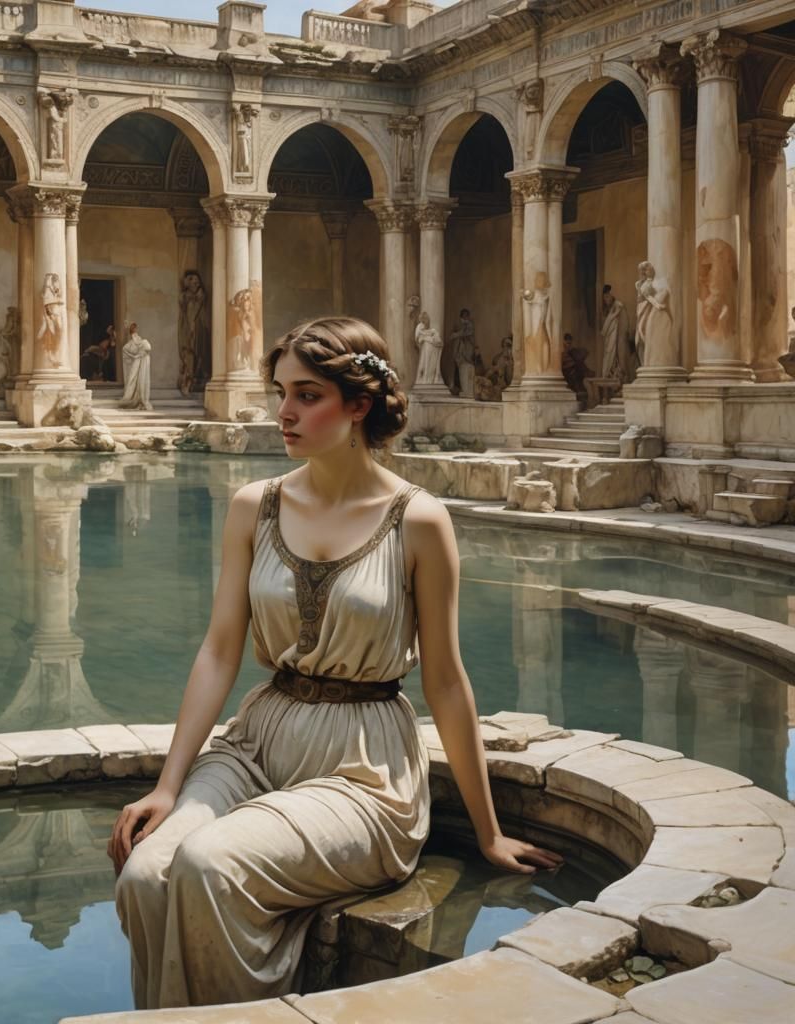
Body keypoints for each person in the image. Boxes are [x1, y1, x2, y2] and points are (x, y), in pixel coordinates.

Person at [109, 316, 563, 1010]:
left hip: (365, 768)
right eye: (280, 391)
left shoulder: (418, 520)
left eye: (308, 394)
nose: (284, 412)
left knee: (208, 865)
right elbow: (219, 649)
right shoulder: (251, 508)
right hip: (260, 742)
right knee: (145, 876)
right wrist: (170, 786)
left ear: (359, 405)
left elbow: (445, 680)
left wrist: (489, 831)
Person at [119, 321, 152, 411]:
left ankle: (138, 398)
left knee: (136, 380)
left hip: (139, 362)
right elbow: (126, 350)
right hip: (137, 362)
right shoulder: (137, 342)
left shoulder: (141, 341)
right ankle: (135, 397)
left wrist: (137, 355)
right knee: (133, 380)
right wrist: (136, 355)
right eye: (134, 329)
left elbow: (147, 348)